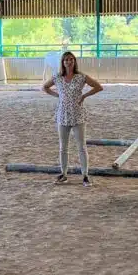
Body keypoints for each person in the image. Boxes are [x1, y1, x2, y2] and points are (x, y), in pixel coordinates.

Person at [42, 51, 104, 187]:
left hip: (78, 115)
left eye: (71, 59)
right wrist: (57, 96)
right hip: (62, 115)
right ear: (62, 62)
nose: (69, 62)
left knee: (81, 146)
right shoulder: (57, 77)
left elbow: (98, 87)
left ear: (74, 61)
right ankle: (63, 174)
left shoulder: (81, 77)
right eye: (66, 60)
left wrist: (84, 96)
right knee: (63, 147)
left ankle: (85, 175)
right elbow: (45, 87)